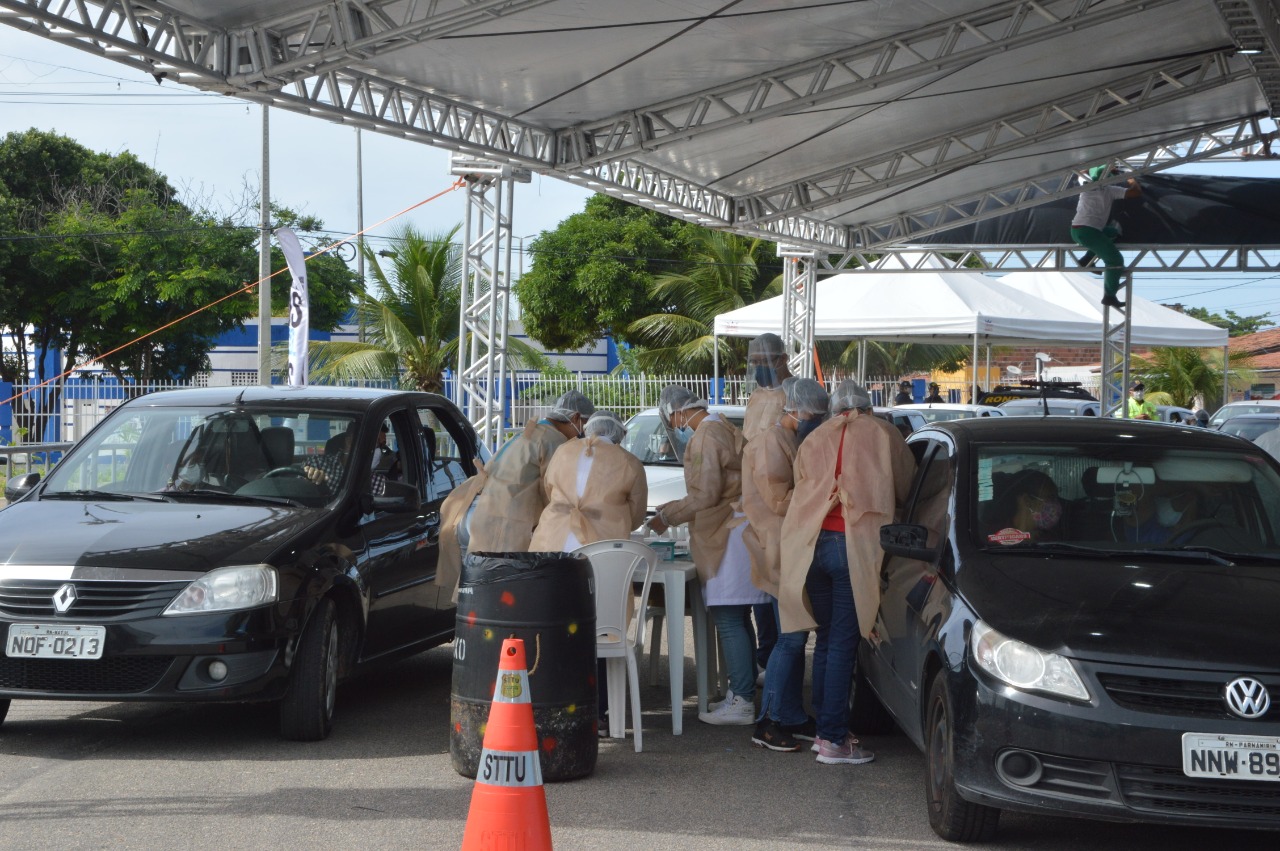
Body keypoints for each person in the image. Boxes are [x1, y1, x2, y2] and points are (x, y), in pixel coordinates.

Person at [779, 380, 915, 765]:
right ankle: (833, 738)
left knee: (826, 640)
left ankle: (825, 728)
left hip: (811, 545)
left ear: (832, 407)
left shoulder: (815, 436)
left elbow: (801, 485)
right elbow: (907, 487)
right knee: (842, 643)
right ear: (867, 406)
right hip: (851, 547)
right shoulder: (884, 433)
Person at [648, 386, 766, 726]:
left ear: (678, 411)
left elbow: (706, 494)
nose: (673, 424)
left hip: (725, 532)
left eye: (671, 417)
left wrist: (667, 516)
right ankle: (739, 691)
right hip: (737, 529)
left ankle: (742, 700)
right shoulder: (724, 426)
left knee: (729, 618)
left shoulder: (705, 436)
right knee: (739, 617)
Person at [743, 377, 828, 752]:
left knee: (794, 634)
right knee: (791, 638)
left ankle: (790, 714)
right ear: (797, 409)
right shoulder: (769, 443)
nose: (816, 420)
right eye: (815, 413)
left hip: (789, 546)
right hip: (778, 548)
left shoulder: (786, 439)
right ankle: (769, 720)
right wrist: (822, 488)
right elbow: (779, 500)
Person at [467, 390, 595, 554]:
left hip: (487, 513)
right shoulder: (554, 440)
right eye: (586, 424)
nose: (584, 433)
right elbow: (555, 494)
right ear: (576, 418)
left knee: (487, 572)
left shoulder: (531, 431)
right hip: (512, 521)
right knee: (510, 573)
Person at [529, 411, 648, 551]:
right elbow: (636, 514)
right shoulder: (629, 462)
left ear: (587, 429)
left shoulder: (563, 450)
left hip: (550, 540)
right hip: (602, 547)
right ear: (621, 434)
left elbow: (549, 489)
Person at [1070, 165, 1142, 309]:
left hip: (1080, 230)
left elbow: (1083, 170)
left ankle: (1086, 260)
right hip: (1088, 232)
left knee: (1112, 233)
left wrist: (1102, 164)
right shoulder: (1110, 190)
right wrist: (1130, 178)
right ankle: (1109, 296)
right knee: (1115, 260)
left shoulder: (1086, 184)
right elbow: (1136, 192)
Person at [984, 469, 1062, 545]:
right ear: (1027, 500)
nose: (1054, 505)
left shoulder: (1052, 541)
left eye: (1054, 499)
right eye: (1049, 498)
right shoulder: (993, 537)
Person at [743, 332, 793, 442]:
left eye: (766, 361)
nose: (759, 366)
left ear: (783, 358)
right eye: (755, 361)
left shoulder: (795, 393)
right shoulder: (756, 395)